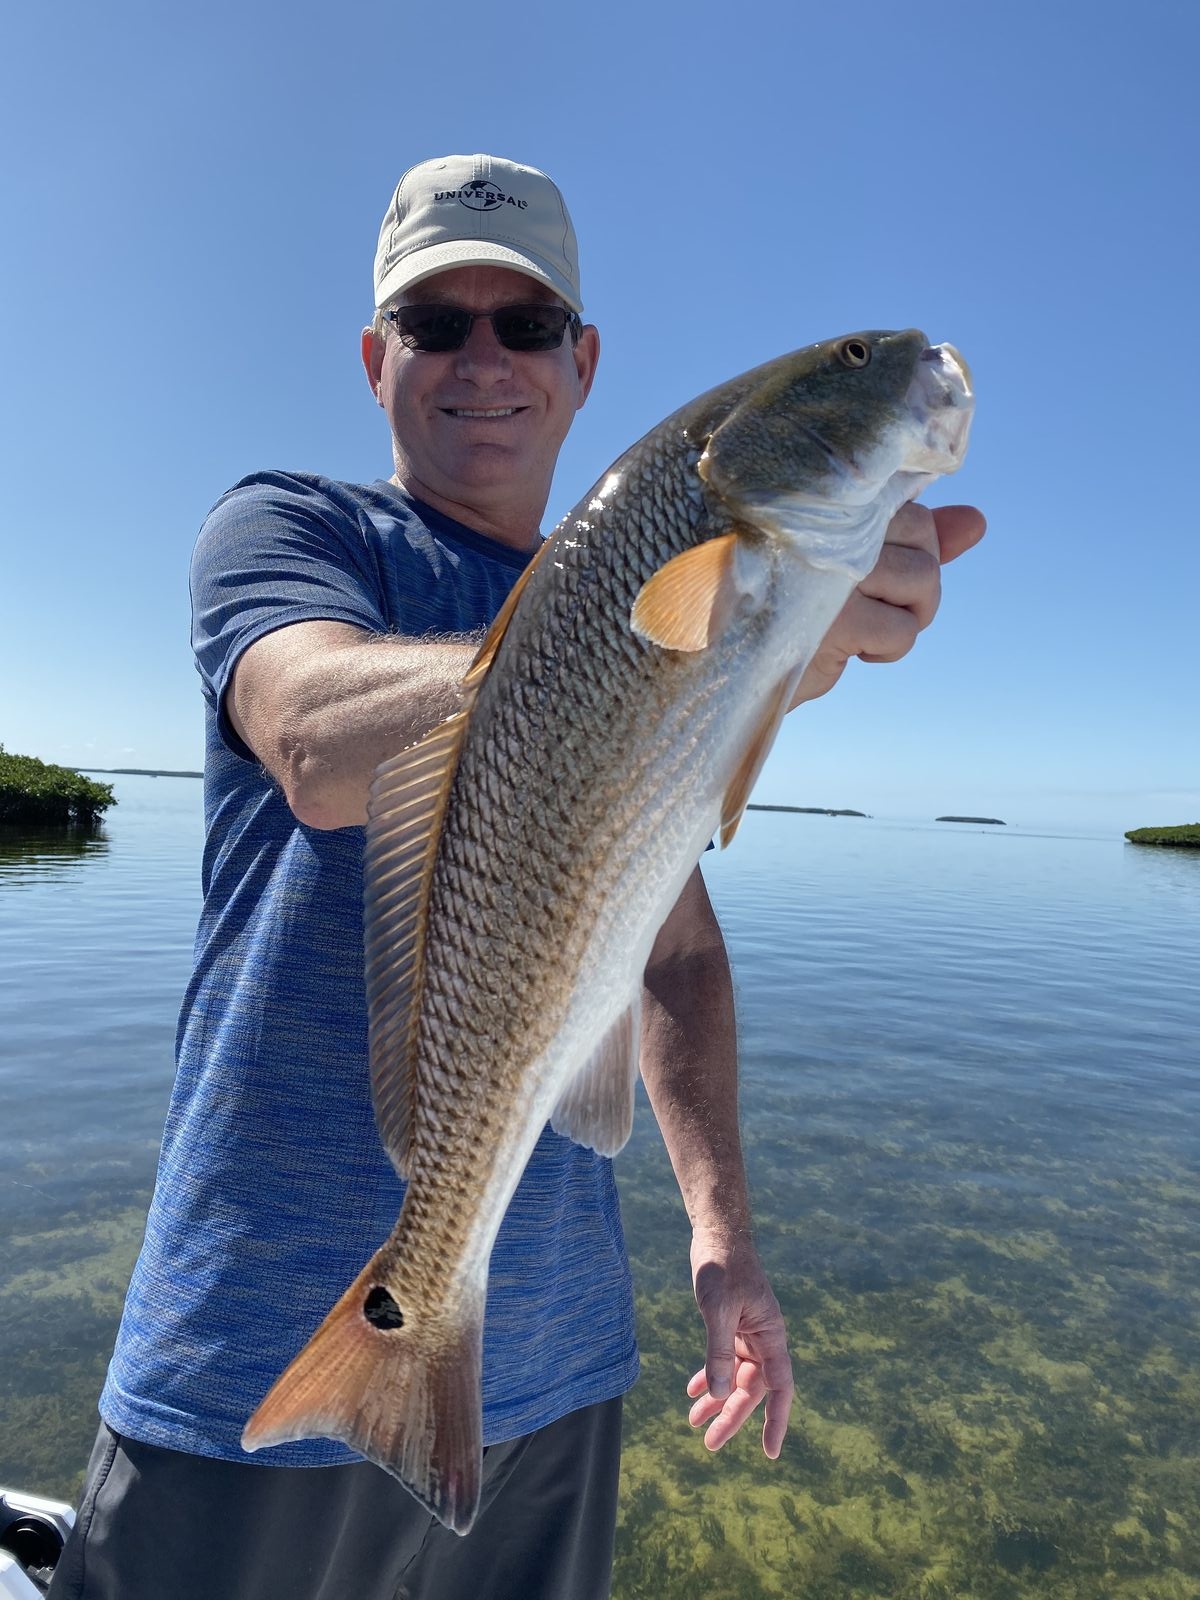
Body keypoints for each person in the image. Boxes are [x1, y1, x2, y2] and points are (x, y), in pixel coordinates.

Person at [48, 153, 985, 1600]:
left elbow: (665, 950)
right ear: (378, 360)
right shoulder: (294, 530)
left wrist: (724, 1239)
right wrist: (703, 646)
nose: (485, 359)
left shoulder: (670, 582)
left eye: (526, 324)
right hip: (253, 1351)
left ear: (582, 360)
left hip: (550, 1370)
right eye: (438, 323)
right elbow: (310, 736)